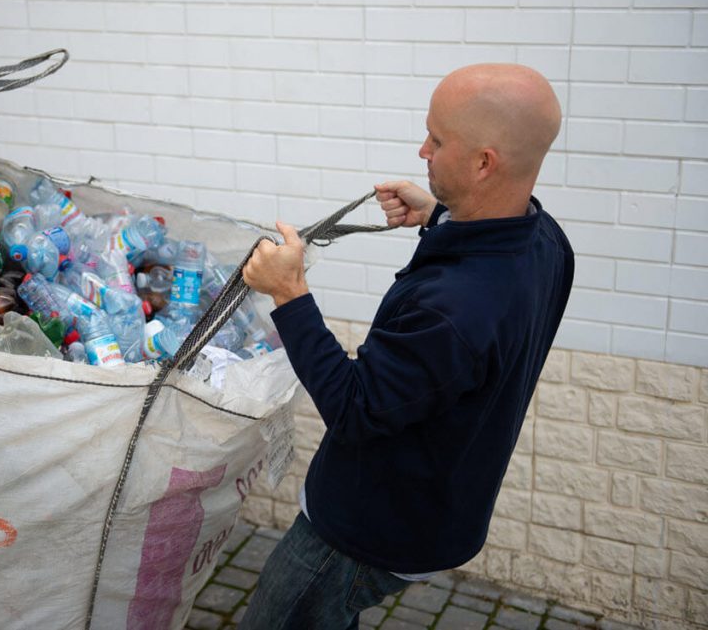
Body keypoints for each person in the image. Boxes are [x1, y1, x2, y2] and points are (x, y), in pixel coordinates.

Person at [238, 63, 574, 630]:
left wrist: (289, 293)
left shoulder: (456, 308)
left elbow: (354, 408)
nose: (422, 150)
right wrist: (441, 211)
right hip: (439, 510)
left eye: (437, 140)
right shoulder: (546, 241)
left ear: (483, 162)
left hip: (363, 532)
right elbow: (474, 296)